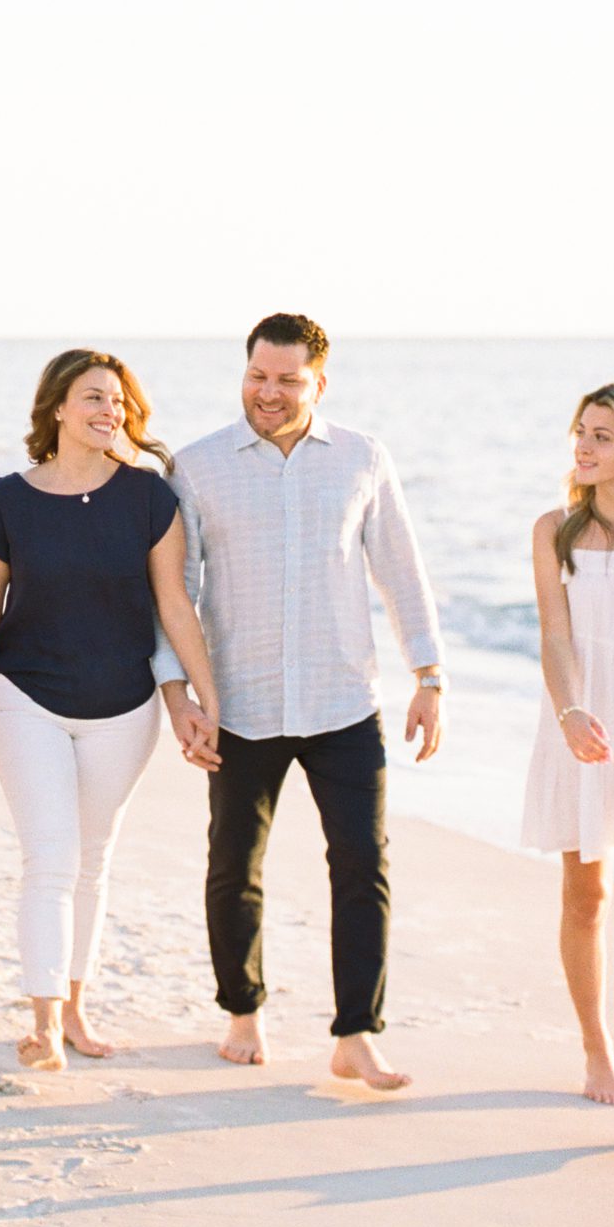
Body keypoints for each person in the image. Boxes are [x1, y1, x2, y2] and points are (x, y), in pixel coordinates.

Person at [155, 312, 445, 1091]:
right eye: (258, 376)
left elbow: (401, 573)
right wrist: (177, 693)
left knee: (362, 866)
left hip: (344, 700)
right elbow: (176, 591)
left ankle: (356, 1033)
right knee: (234, 865)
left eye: (287, 380)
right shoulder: (198, 465)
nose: (269, 393)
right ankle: (241, 1012)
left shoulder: (362, 458)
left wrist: (430, 677)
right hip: (238, 701)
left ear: (320, 382)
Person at [0, 349, 220, 1072]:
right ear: (57, 409)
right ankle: (42, 1021)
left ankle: (74, 1007)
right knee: (50, 854)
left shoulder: (148, 498)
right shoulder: (6, 500)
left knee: (92, 859)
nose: (111, 413)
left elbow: (175, 605)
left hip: (123, 704)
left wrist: (205, 696)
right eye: (96, 399)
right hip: (24, 696)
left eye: (120, 403)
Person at [522, 383, 614, 1145]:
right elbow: (554, 637)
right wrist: (570, 710)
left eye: (601, 435)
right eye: (580, 431)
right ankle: (595, 1048)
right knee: (585, 898)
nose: (584, 446)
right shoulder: (556, 531)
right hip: (583, 720)